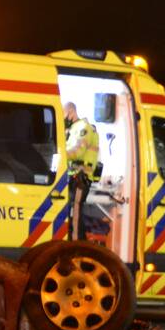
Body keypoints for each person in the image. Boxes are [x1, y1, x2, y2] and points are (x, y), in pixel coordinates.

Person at [64, 102, 99, 240]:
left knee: (76, 213)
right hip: (73, 176)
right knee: (73, 214)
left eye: (64, 114)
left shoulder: (84, 128)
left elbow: (77, 152)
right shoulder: (72, 129)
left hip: (81, 177)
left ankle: (76, 245)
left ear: (71, 112)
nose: (64, 118)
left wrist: (60, 153)